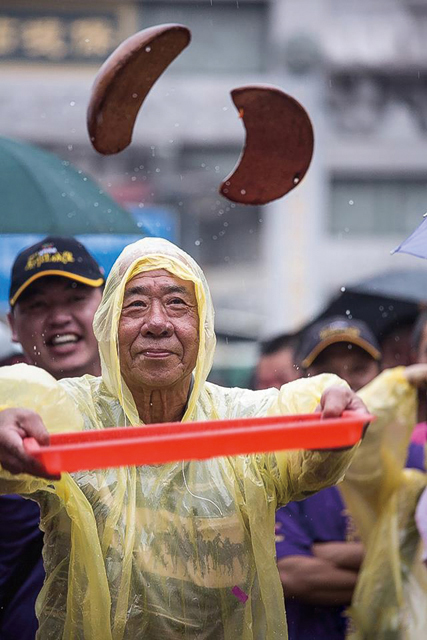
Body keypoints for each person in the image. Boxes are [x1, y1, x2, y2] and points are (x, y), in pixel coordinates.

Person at [0, 237, 368, 640]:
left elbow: (308, 454)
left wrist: (332, 414)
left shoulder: (240, 417)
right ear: (108, 324)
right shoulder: (71, 412)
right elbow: (18, 408)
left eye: (177, 303)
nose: (157, 322)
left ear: (203, 324)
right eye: (135, 305)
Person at [273, 317, 425, 640]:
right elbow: (289, 575)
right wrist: (391, 568)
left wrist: (326, 553)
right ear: (301, 380)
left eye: (358, 369)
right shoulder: (282, 465)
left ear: (380, 375)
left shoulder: (413, 459)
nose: (344, 385)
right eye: (328, 372)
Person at [0, 236, 104, 640]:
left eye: (75, 298)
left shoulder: (156, 405)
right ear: (12, 325)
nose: (58, 317)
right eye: (38, 305)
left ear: (108, 308)